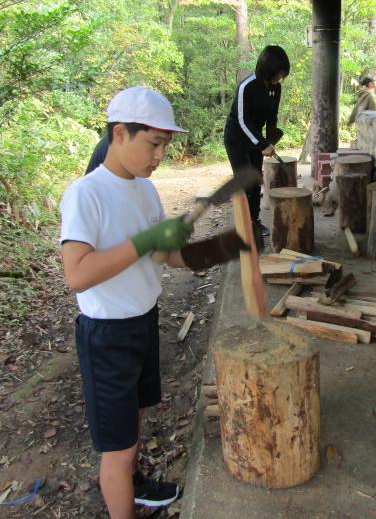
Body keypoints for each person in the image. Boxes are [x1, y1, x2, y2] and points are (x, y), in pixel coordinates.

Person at [60, 86, 247, 518]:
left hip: (143, 322)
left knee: (136, 418)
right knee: (118, 448)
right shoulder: (86, 194)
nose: (160, 155)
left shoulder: (144, 189)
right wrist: (146, 239)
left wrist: (220, 248)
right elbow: (77, 274)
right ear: (119, 133)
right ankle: (123, 492)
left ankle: (135, 484)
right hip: (107, 336)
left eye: (165, 145)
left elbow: (164, 254)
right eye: (154, 143)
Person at [224, 45, 290, 240]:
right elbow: (242, 120)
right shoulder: (247, 86)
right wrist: (262, 145)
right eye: (279, 72)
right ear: (268, 68)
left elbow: (272, 116)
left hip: (256, 140)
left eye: (282, 73)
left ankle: (254, 221)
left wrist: (270, 140)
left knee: (255, 183)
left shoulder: (276, 88)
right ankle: (243, 226)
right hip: (236, 139)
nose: (280, 77)